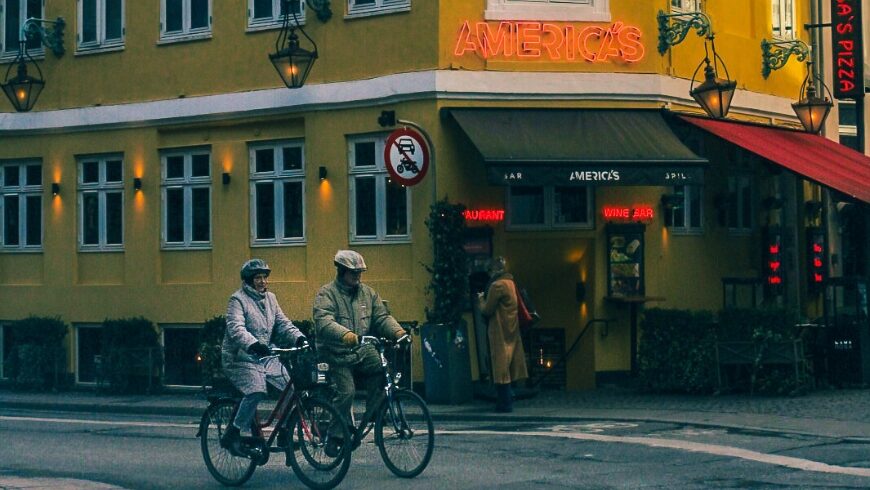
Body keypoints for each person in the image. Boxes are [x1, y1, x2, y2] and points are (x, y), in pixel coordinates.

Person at [313, 250, 406, 455]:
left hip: (361, 350)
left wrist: (398, 332)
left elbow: (381, 317)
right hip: (335, 353)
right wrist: (345, 334)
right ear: (341, 271)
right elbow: (324, 321)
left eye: (360, 273)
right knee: (347, 392)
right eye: (353, 273)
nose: (357, 277)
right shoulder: (326, 293)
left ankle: (375, 413)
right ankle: (334, 434)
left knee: (382, 370)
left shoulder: (368, 293)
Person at [220, 259, 307, 456]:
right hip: (240, 358)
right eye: (257, 278)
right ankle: (233, 432)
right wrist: (253, 344)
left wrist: (299, 338)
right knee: (256, 390)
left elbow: (282, 323)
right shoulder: (238, 300)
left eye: (264, 278)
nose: (262, 282)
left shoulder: (271, 299)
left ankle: (284, 431)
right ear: (249, 281)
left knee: (291, 386)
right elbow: (236, 328)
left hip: (265, 354)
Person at [477, 256, 528, 413]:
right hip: (511, 328)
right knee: (507, 364)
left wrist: (480, 299)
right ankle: (508, 397)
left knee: (500, 366)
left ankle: (504, 403)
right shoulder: (510, 283)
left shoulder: (497, 285)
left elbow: (487, 309)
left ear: (493, 270)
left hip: (498, 330)